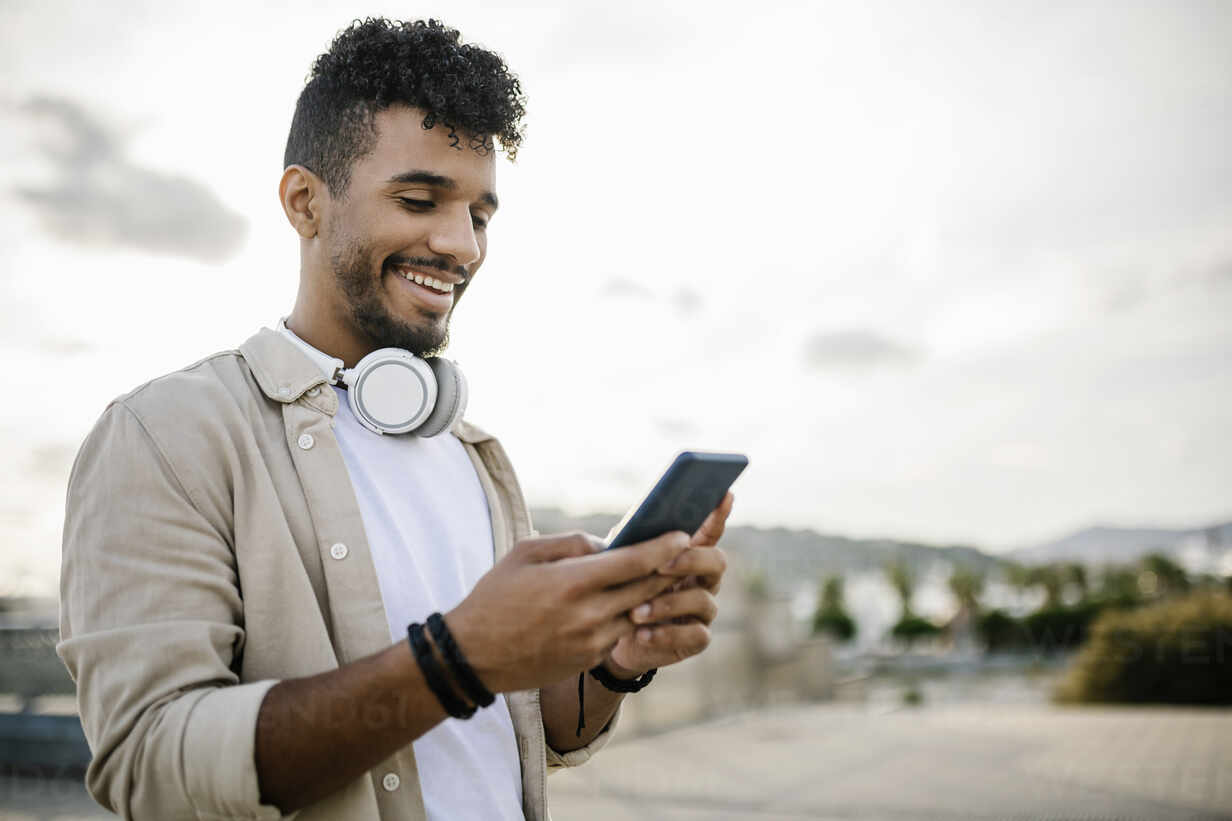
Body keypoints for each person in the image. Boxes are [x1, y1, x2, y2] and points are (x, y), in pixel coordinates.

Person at [57, 17, 733, 821]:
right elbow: (151, 767)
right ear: (305, 201)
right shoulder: (167, 435)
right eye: (420, 199)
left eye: (480, 215)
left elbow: (521, 730)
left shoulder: (476, 455)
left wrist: (615, 662)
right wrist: (460, 657)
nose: (462, 245)